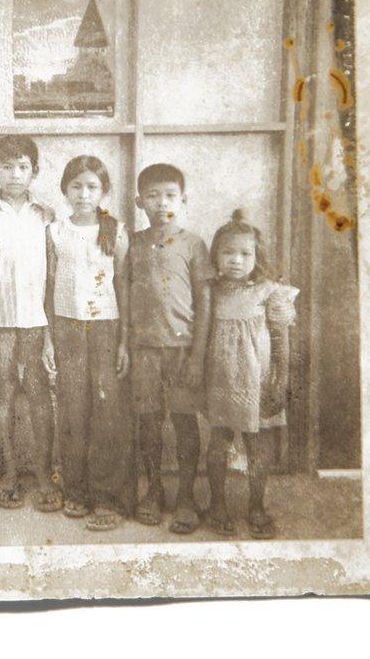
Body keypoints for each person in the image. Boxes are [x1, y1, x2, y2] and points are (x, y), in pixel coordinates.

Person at [0, 135, 60, 512]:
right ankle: (7, 474)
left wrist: (51, 334)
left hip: (37, 325)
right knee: (1, 398)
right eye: (6, 167)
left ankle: (44, 475)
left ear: (34, 172)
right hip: (0, 326)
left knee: (40, 398)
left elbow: (55, 278)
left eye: (23, 167)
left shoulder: (46, 216)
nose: (15, 175)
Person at [117, 163, 211, 534]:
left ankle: (186, 496)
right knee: (149, 422)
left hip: (183, 349)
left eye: (170, 195)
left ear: (183, 200)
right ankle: (153, 490)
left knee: (185, 422)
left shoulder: (193, 244)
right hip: (144, 350)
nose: (162, 203)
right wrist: (125, 341)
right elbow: (124, 296)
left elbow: (204, 303)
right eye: (153, 196)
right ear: (139, 201)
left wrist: (198, 356)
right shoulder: (134, 243)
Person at [45, 156, 133, 531]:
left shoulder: (114, 229)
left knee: (106, 411)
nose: (83, 194)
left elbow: (122, 284)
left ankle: (107, 498)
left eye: (92, 187)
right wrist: (48, 338)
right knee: (72, 409)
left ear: (104, 191)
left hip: (105, 328)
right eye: (76, 186)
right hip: (66, 327)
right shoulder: (54, 231)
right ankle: (76, 490)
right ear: (65, 189)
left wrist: (124, 340)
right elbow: (48, 288)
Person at [203, 209, 298, 539]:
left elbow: (281, 338)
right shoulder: (210, 291)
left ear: (256, 257)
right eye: (228, 252)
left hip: (258, 382)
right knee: (218, 444)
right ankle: (217, 504)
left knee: (259, 448)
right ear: (216, 255)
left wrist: (281, 379)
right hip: (221, 382)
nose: (236, 260)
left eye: (245, 254)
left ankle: (256, 505)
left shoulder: (269, 291)